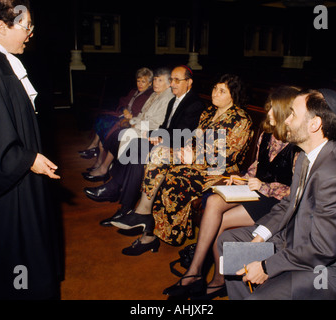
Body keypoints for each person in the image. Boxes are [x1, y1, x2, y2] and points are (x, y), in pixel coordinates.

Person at [218, 88, 336, 300]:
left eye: (293, 114)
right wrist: (261, 235)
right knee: (228, 243)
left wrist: (266, 266)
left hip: (323, 269)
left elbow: (324, 249)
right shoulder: (305, 155)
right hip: (293, 240)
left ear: (314, 124)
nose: (287, 120)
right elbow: (288, 203)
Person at [163, 85, 301, 299]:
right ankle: (195, 272)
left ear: (286, 111)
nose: (269, 112)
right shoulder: (267, 133)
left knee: (223, 220)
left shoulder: (298, 145)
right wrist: (243, 178)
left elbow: (297, 191)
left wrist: (262, 186)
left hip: (276, 200)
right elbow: (256, 165)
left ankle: (217, 280)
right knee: (215, 202)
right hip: (255, 189)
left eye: (273, 108)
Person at [111, 74, 254, 256]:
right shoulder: (209, 112)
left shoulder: (240, 120)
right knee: (158, 154)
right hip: (196, 160)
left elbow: (226, 156)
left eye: (222, 91)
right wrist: (183, 148)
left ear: (233, 95)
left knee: (172, 178)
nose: (215, 93)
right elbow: (195, 138)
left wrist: (192, 155)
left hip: (218, 171)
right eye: (215, 88)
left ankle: (151, 236)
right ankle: (143, 212)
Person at [0, 0, 62, 299]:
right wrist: (26, 158)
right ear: (2, 27)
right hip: (8, 184)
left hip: (21, 171)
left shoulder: (2, 57)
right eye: (25, 26)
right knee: (15, 250)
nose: (30, 33)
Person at [84, 65, 205, 222]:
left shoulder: (194, 103)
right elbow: (164, 128)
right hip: (166, 141)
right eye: (172, 80)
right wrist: (155, 134)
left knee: (139, 147)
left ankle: (120, 199)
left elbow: (182, 135)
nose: (173, 84)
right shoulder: (174, 100)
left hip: (179, 148)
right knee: (137, 145)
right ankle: (121, 200)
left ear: (189, 82)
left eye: (177, 80)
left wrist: (160, 137)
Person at [83, 67, 174, 182]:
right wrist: (133, 121)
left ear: (169, 83)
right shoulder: (155, 94)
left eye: (159, 80)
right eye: (155, 79)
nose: (156, 83)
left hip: (151, 132)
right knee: (115, 132)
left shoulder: (167, 98)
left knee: (121, 134)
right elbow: (141, 114)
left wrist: (134, 123)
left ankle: (109, 172)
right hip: (140, 125)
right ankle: (106, 168)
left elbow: (156, 123)